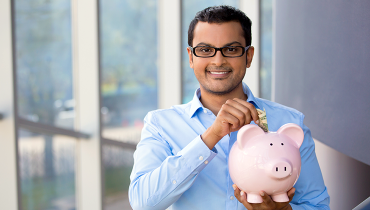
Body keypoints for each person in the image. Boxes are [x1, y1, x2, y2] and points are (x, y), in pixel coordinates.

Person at [129, 5, 330, 210]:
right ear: (191, 57)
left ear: (248, 56)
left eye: (231, 49)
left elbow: (318, 206)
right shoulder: (160, 125)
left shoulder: (289, 123)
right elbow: (143, 203)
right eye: (205, 50)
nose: (218, 60)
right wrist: (210, 137)